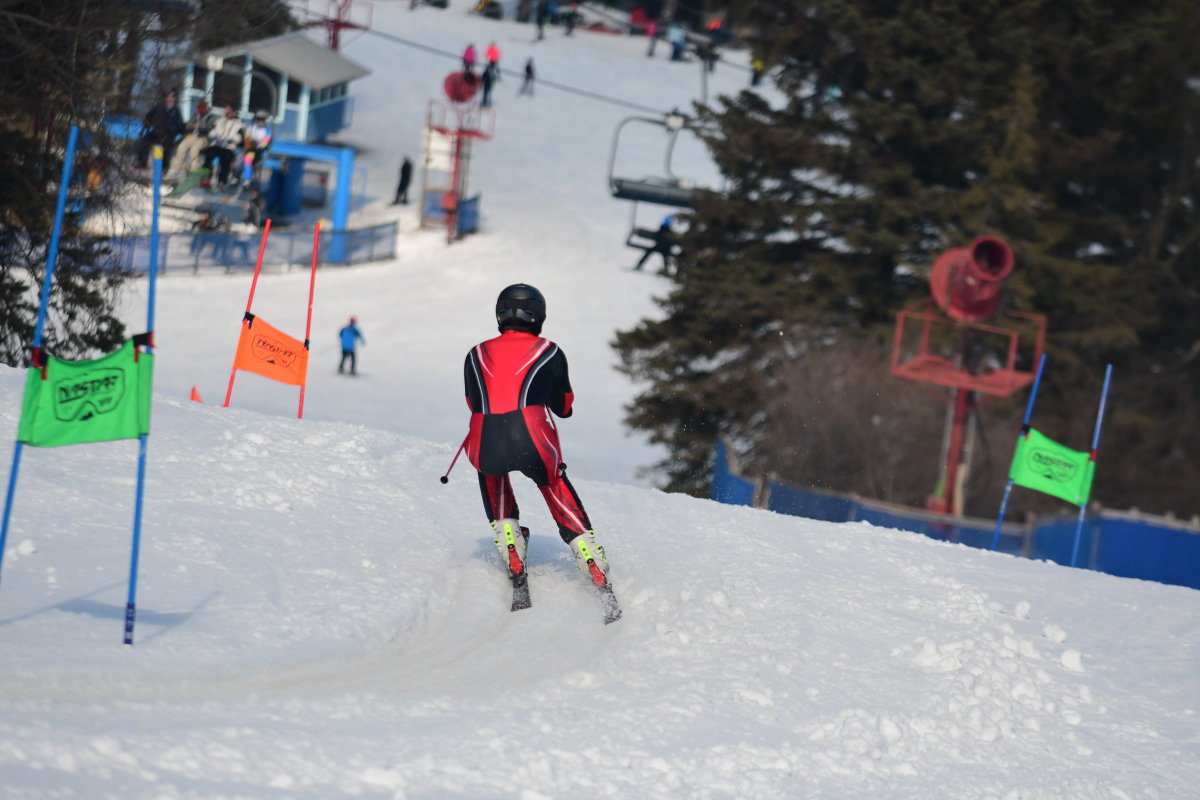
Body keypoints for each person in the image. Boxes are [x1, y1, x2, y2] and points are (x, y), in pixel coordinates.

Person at [462, 284, 615, 603]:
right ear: (538, 316)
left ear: (500, 314)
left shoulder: (475, 353)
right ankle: (588, 556)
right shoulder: (549, 350)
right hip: (532, 433)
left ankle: (510, 542)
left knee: (490, 471)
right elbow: (564, 407)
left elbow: (472, 402)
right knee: (553, 482)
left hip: (484, 433)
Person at [139, 90, 185, 172]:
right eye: (169, 96)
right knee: (145, 140)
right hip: (157, 131)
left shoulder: (176, 111)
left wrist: (174, 129)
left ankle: (164, 168)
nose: (170, 98)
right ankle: (142, 164)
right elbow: (149, 116)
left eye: (173, 96)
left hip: (168, 134)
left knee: (167, 147)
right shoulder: (159, 107)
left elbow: (179, 125)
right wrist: (148, 122)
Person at [167, 100, 210, 182]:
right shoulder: (196, 116)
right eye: (199, 108)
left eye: (202, 108)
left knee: (194, 150)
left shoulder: (210, 117)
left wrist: (198, 126)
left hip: (204, 138)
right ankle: (174, 169)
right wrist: (190, 126)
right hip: (193, 136)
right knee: (181, 147)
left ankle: (194, 170)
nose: (200, 110)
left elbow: (209, 129)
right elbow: (188, 126)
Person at [202, 106, 245, 187]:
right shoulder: (220, 121)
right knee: (209, 153)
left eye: (229, 112)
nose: (227, 113)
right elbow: (212, 132)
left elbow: (239, 138)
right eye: (226, 111)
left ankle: (222, 180)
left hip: (229, 147)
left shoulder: (239, 124)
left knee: (226, 158)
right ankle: (207, 176)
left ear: (234, 112)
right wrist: (215, 135)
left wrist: (230, 138)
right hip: (218, 145)